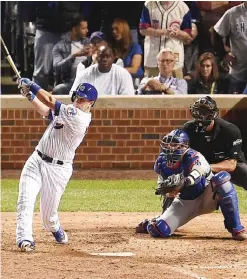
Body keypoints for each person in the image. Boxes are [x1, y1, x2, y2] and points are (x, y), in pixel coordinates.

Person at [16, 77, 98, 252]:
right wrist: (30, 96)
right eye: (76, 97)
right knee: (25, 200)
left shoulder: (80, 117)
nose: (77, 101)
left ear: (91, 103)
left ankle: (55, 227)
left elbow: (50, 101)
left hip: (58, 169)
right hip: (37, 159)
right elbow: (47, 111)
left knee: (48, 217)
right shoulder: (69, 111)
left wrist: (32, 86)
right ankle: (25, 239)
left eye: (82, 99)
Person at [136, 129, 247, 241]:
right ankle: (150, 223)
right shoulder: (161, 162)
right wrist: (166, 190)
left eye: (175, 145)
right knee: (158, 229)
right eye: (168, 145)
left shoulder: (194, 156)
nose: (170, 148)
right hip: (185, 202)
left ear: (184, 146)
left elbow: (197, 173)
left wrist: (183, 182)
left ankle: (236, 229)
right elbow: (161, 186)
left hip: (206, 196)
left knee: (222, 180)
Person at [162, 96, 247, 212]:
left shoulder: (230, 130)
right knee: (176, 176)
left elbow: (232, 164)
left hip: (224, 165)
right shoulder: (188, 128)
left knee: (244, 171)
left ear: (213, 113)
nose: (201, 115)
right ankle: (166, 215)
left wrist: (203, 168)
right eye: (199, 111)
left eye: (205, 111)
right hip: (197, 166)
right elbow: (182, 155)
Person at [139, 1, 192, 78]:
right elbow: (143, 30)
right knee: (151, 88)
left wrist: (178, 33)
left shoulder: (183, 7)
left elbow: (188, 35)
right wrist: (162, 32)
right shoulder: (149, 4)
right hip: (153, 59)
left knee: (176, 89)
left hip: (174, 60)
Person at [70, 45, 135, 96]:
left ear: (113, 58)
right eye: (101, 56)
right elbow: (73, 95)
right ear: (97, 58)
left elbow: (128, 99)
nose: (104, 59)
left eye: (108, 56)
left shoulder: (123, 74)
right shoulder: (85, 74)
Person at [52, 16, 91, 95]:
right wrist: (73, 55)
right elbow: (57, 68)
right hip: (70, 82)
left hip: (89, 80)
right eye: (83, 28)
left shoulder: (89, 42)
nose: (87, 30)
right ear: (74, 30)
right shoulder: (59, 46)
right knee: (58, 90)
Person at [214, 2, 247, 94]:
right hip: (237, 70)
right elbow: (217, 33)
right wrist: (224, 54)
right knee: (234, 106)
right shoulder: (232, 13)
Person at [111, 18, 144, 85]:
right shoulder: (114, 48)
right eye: (113, 29)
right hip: (119, 81)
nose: (114, 32)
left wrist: (114, 70)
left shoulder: (135, 47)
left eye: (117, 29)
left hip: (135, 81)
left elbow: (134, 69)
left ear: (124, 30)